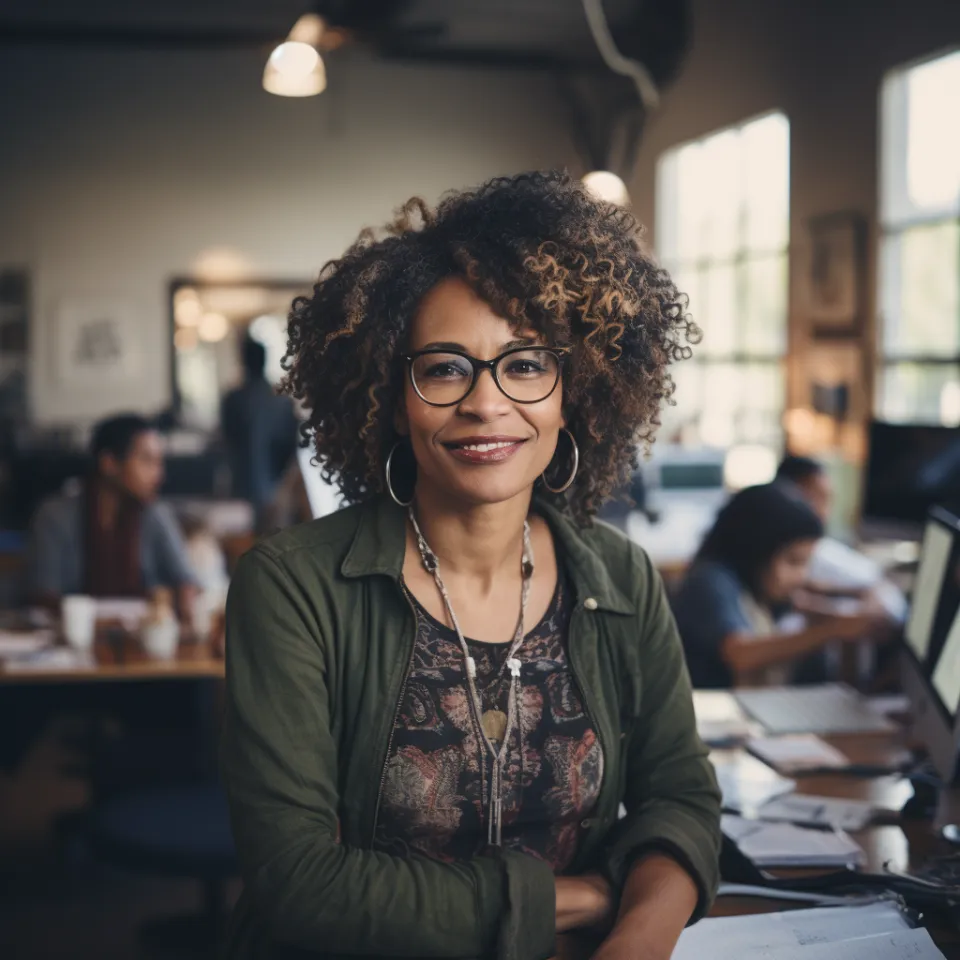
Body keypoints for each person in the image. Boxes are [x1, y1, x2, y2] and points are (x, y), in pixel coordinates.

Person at [220, 172, 721, 960]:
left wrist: (636, 938)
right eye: (446, 368)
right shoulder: (292, 586)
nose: (487, 403)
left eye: (525, 365)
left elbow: (681, 801)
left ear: (573, 394)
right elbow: (300, 885)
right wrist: (582, 896)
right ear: (391, 399)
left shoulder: (621, 577)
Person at [673, 483, 878, 689]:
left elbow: (809, 597)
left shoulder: (757, 586)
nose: (800, 576)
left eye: (806, 563)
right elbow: (741, 653)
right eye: (793, 561)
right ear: (756, 550)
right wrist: (833, 629)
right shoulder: (710, 581)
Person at [27, 413, 197, 617]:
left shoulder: (155, 514)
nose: (158, 474)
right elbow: (43, 595)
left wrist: (184, 599)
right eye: (146, 461)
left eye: (159, 463)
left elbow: (186, 582)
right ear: (109, 464)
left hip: (141, 634)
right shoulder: (55, 516)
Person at [775, 455, 907, 623]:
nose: (824, 512)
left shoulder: (818, 548)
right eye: (815, 498)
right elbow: (891, 607)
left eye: (828, 500)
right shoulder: (806, 551)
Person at [220, 336, 299, 530]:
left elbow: (226, 440)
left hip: (240, 486)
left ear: (243, 361)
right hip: (275, 489)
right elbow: (292, 447)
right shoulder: (282, 401)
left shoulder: (233, 399)